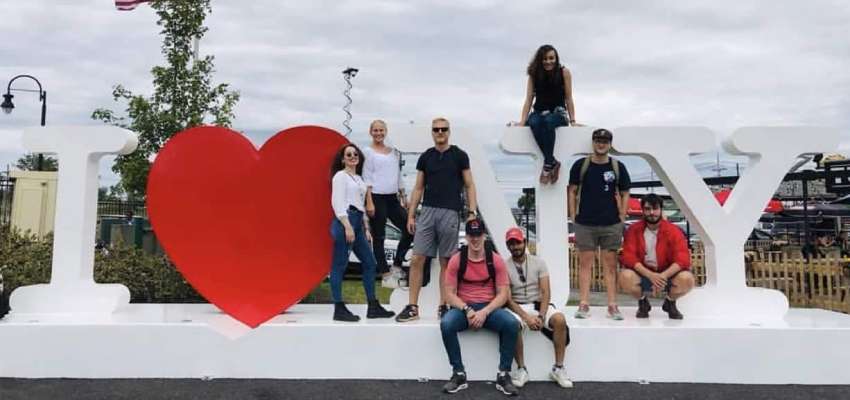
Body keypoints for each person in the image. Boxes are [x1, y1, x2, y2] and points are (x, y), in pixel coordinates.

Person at [396, 118, 478, 323]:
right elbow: (418, 188)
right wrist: (411, 214)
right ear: (432, 132)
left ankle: (444, 305)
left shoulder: (459, 155)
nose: (440, 132)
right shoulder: (426, 157)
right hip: (427, 211)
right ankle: (412, 307)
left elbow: (469, 185)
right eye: (436, 129)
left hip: (450, 212)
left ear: (449, 132)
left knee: (446, 261)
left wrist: (472, 212)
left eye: (443, 129)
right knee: (417, 258)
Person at [439, 219, 520, 395]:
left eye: (478, 235)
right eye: (471, 235)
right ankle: (458, 373)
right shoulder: (456, 260)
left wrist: (484, 312)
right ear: (466, 237)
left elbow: (503, 294)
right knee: (446, 324)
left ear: (484, 235)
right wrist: (467, 310)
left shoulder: (495, 260)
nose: (475, 239)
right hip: (464, 308)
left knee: (512, 324)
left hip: (489, 308)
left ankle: (503, 374)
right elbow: (449, 294)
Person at [568, 128, 631, 320]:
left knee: (610, 265)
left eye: (604, 141)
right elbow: (572, 190)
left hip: (611, 223)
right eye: (598, 140)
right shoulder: (581, 165)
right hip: (585, 223)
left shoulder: (617, 167)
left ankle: (612, 305)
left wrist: (622, 215)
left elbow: (625, 192)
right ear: (593, 142)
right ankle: (583, 304)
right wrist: (573, 214)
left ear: (610, 144)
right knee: (585, 264)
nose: (601, 144)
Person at [328, 143, 395, 322]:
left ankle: (373, 306)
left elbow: (360, 204)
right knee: (339, 265)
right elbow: (337, 202)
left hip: (357, 221)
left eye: (355, 154)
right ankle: (338, 308)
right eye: (348, 155)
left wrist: (365, 227)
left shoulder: (358, 178)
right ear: (343, 159)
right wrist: (347, 226)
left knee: (370, 263)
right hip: (345, 221)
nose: (353, 157)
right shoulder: (340, 177)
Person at [503, 227, 572, 389]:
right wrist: (526, 317)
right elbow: (507, 298)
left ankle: (558, 368)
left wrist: (541, 316)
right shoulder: (504, 266)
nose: (515, 246)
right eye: (511, 244)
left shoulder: (539, 262)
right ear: (507, 246)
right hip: (517, 306)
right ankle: (521, 369)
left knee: (560, 320)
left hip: (538, 304)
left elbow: (546, 291)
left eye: (518, 242)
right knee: (512, 325)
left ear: (525, 242)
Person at [619, 194, 695, 319]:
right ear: (643, 210)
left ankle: (670, 302)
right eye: (647, 209)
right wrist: (651, 275)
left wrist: (662, 276)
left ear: (661, 210)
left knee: (687, 279)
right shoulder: (633, 230)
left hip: (667, 274)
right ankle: (643, 302)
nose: (652, 213)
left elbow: (682, 259)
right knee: (625, 277)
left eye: (655, 209)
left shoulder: (674, 231)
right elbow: (628, 257)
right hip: (643, 273)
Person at [363, 120, 414, 289]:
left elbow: (397, 175)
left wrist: (404, 195)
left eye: (381, 130)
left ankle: (397, 265)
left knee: (410, 229)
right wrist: (369, 201)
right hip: (376, 197)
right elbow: (367, 177)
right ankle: (385, 274)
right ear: (371, 132)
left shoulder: (393, 152)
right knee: (379, 236)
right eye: (375, 130)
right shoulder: (368, 152)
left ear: (386, 131)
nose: (378, 133)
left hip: (392, 197)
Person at [517, 44, 577, 185]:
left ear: (556, 58)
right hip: (539, 112)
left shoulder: (564, 72)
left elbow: (569, 98)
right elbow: (528, 99)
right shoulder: (533, 75)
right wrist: (522, 121)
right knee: (534, 122)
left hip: (558, 113)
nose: (548, 61)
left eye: (551, 58)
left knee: (548, 121)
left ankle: (548, 165)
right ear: (540, 60)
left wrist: (573, 120)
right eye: (545, 59)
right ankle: (551, 161)